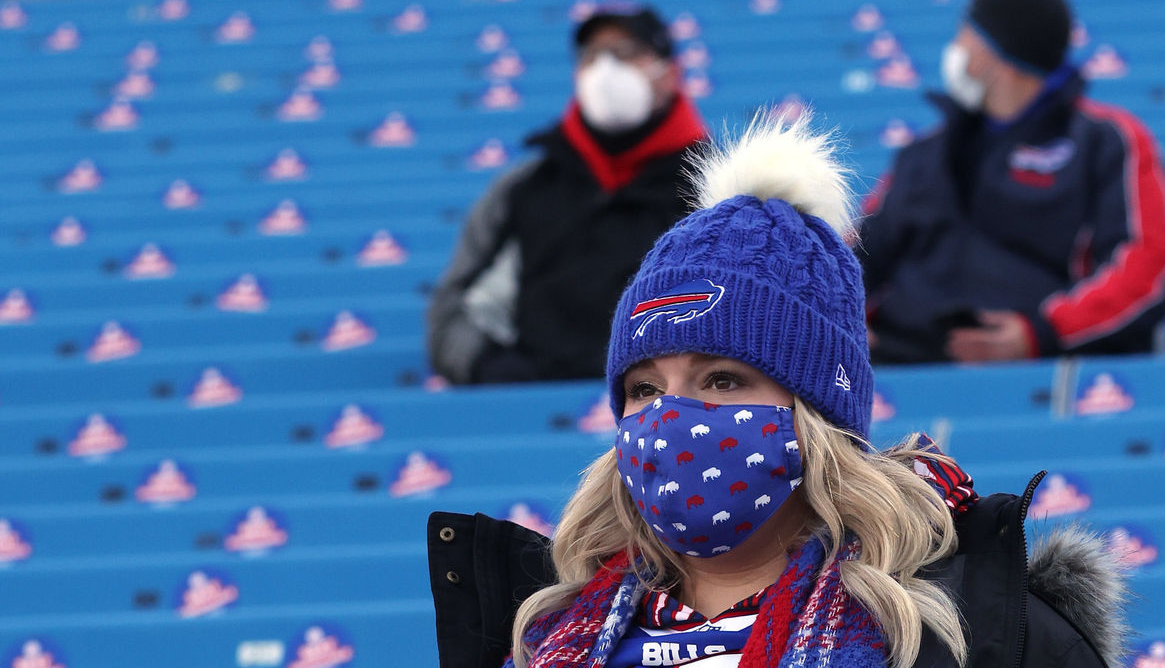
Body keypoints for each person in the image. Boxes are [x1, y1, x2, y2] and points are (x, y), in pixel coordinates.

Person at [428, 115, 1128, 668]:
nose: (672, 418)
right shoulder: (543, 638)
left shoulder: (975, 634)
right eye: (644, 390)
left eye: (723, 379)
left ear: (815, 410)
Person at [859, 0, 1165, 364]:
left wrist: (1043, 333)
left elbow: (1151, 259)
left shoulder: (1106, 140)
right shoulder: (924, 153)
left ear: (1000, 54)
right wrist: (840, 321)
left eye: (966, 34)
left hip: (1047, 371)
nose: (957, 49)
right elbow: (859, 250)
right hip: (902, 362)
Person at [429, 3, 707, 384]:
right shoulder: (524, 188)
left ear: (669, 73)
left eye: (626, 53)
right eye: (592, 56)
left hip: (667, 414)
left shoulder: (711, 190)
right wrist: (487, 367)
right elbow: (455, 307)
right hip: (531, 410)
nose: (607, 70)